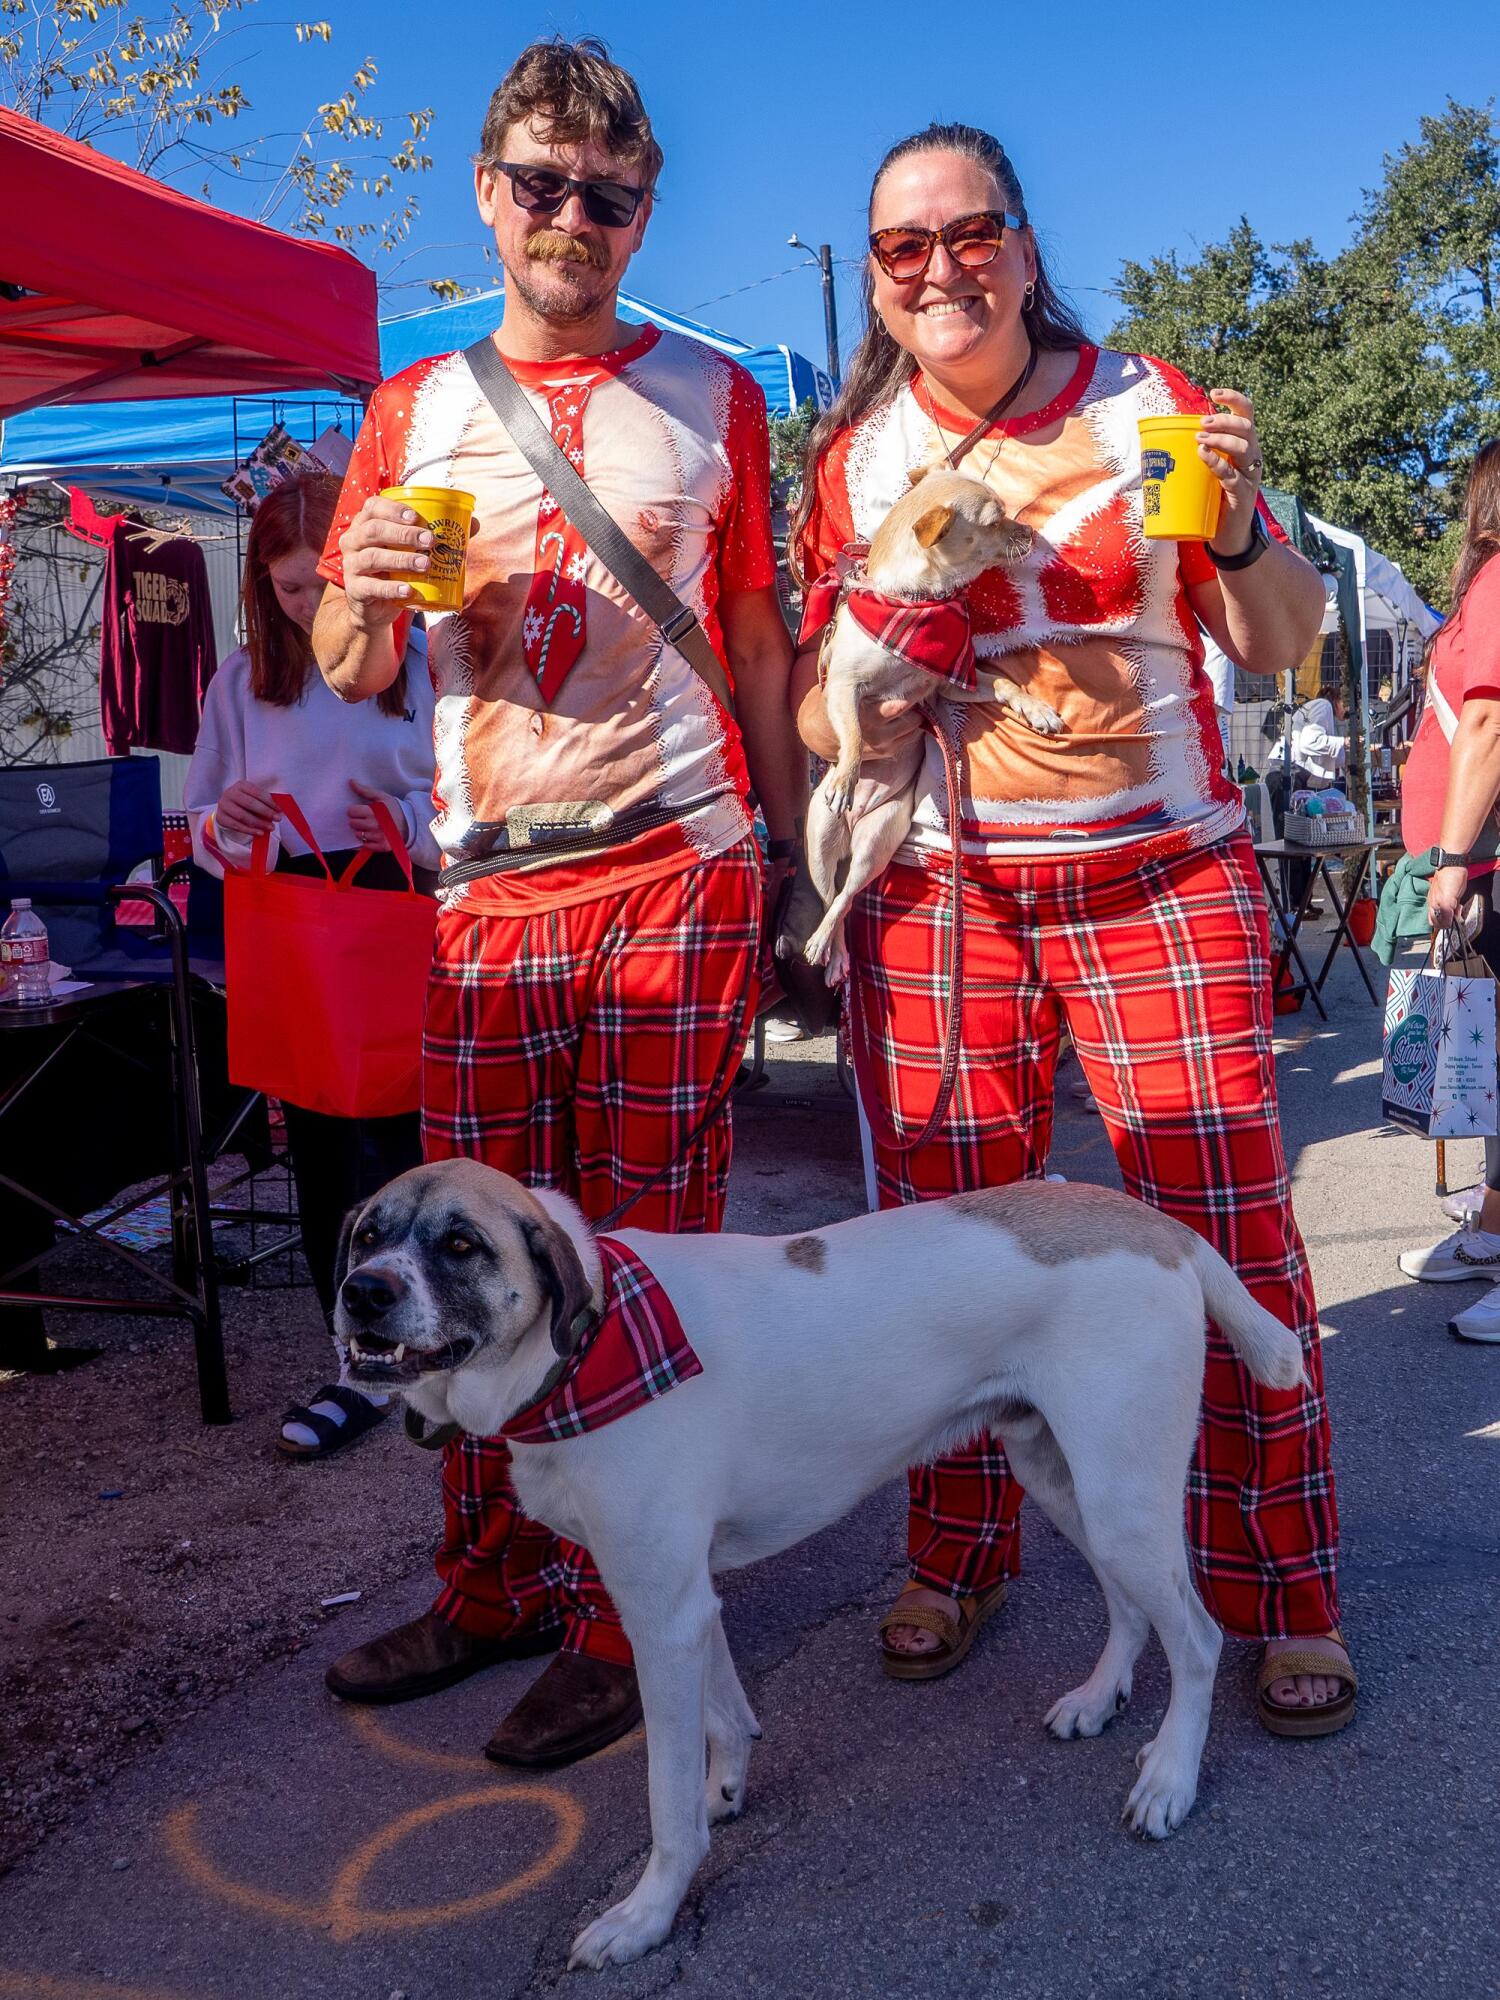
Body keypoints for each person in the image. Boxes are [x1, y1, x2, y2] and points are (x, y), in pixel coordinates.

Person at [790, 123, 1355, 1733]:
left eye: (970, 234)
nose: (940, 268)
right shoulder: (856, 464)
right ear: (881, 283)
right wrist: (883, 665)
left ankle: (1283, 1589)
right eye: (904, 248)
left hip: (1157, 867)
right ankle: (963, 1554)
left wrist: (1240, 526)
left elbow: (1292, 643)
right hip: (949, 887)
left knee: (1226, 1236)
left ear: (1024, 247)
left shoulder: (1149, 407)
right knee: (943, 1257)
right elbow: (826, 730)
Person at [311, 38, 802, 1767]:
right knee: (453, 1262)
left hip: (678, 858)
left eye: (607, 193)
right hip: (491, 896)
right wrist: (358, 593)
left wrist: (794, 859)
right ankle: (494, 1579)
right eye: (542, 184)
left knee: (642, 1250)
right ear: (488, 194)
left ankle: (620, 1619)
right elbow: (354, 663)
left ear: (643, 207)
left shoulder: (722, 399)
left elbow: (754, 642)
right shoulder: (413, 410)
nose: (572, 218)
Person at [184, 471, 440, 1457]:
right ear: (262, 585)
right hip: (293, 912)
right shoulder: (242, 680)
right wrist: (224, 820)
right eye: (286, 588)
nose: (303, 604)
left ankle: (435, 1343)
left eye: (314, 582)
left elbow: (471, 798)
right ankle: (361, 1357)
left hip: (402, 905)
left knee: (409, 1128)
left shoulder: (419, 662)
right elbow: (205, 819)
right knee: (324, 1139)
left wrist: (412, 826)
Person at [1395, 438, 1500, 1341]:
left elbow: (1489, 718)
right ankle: (1493, 1232)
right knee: (1490, 1068)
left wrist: (1453, 856)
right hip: (1484, 862)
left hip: (1489, 861)